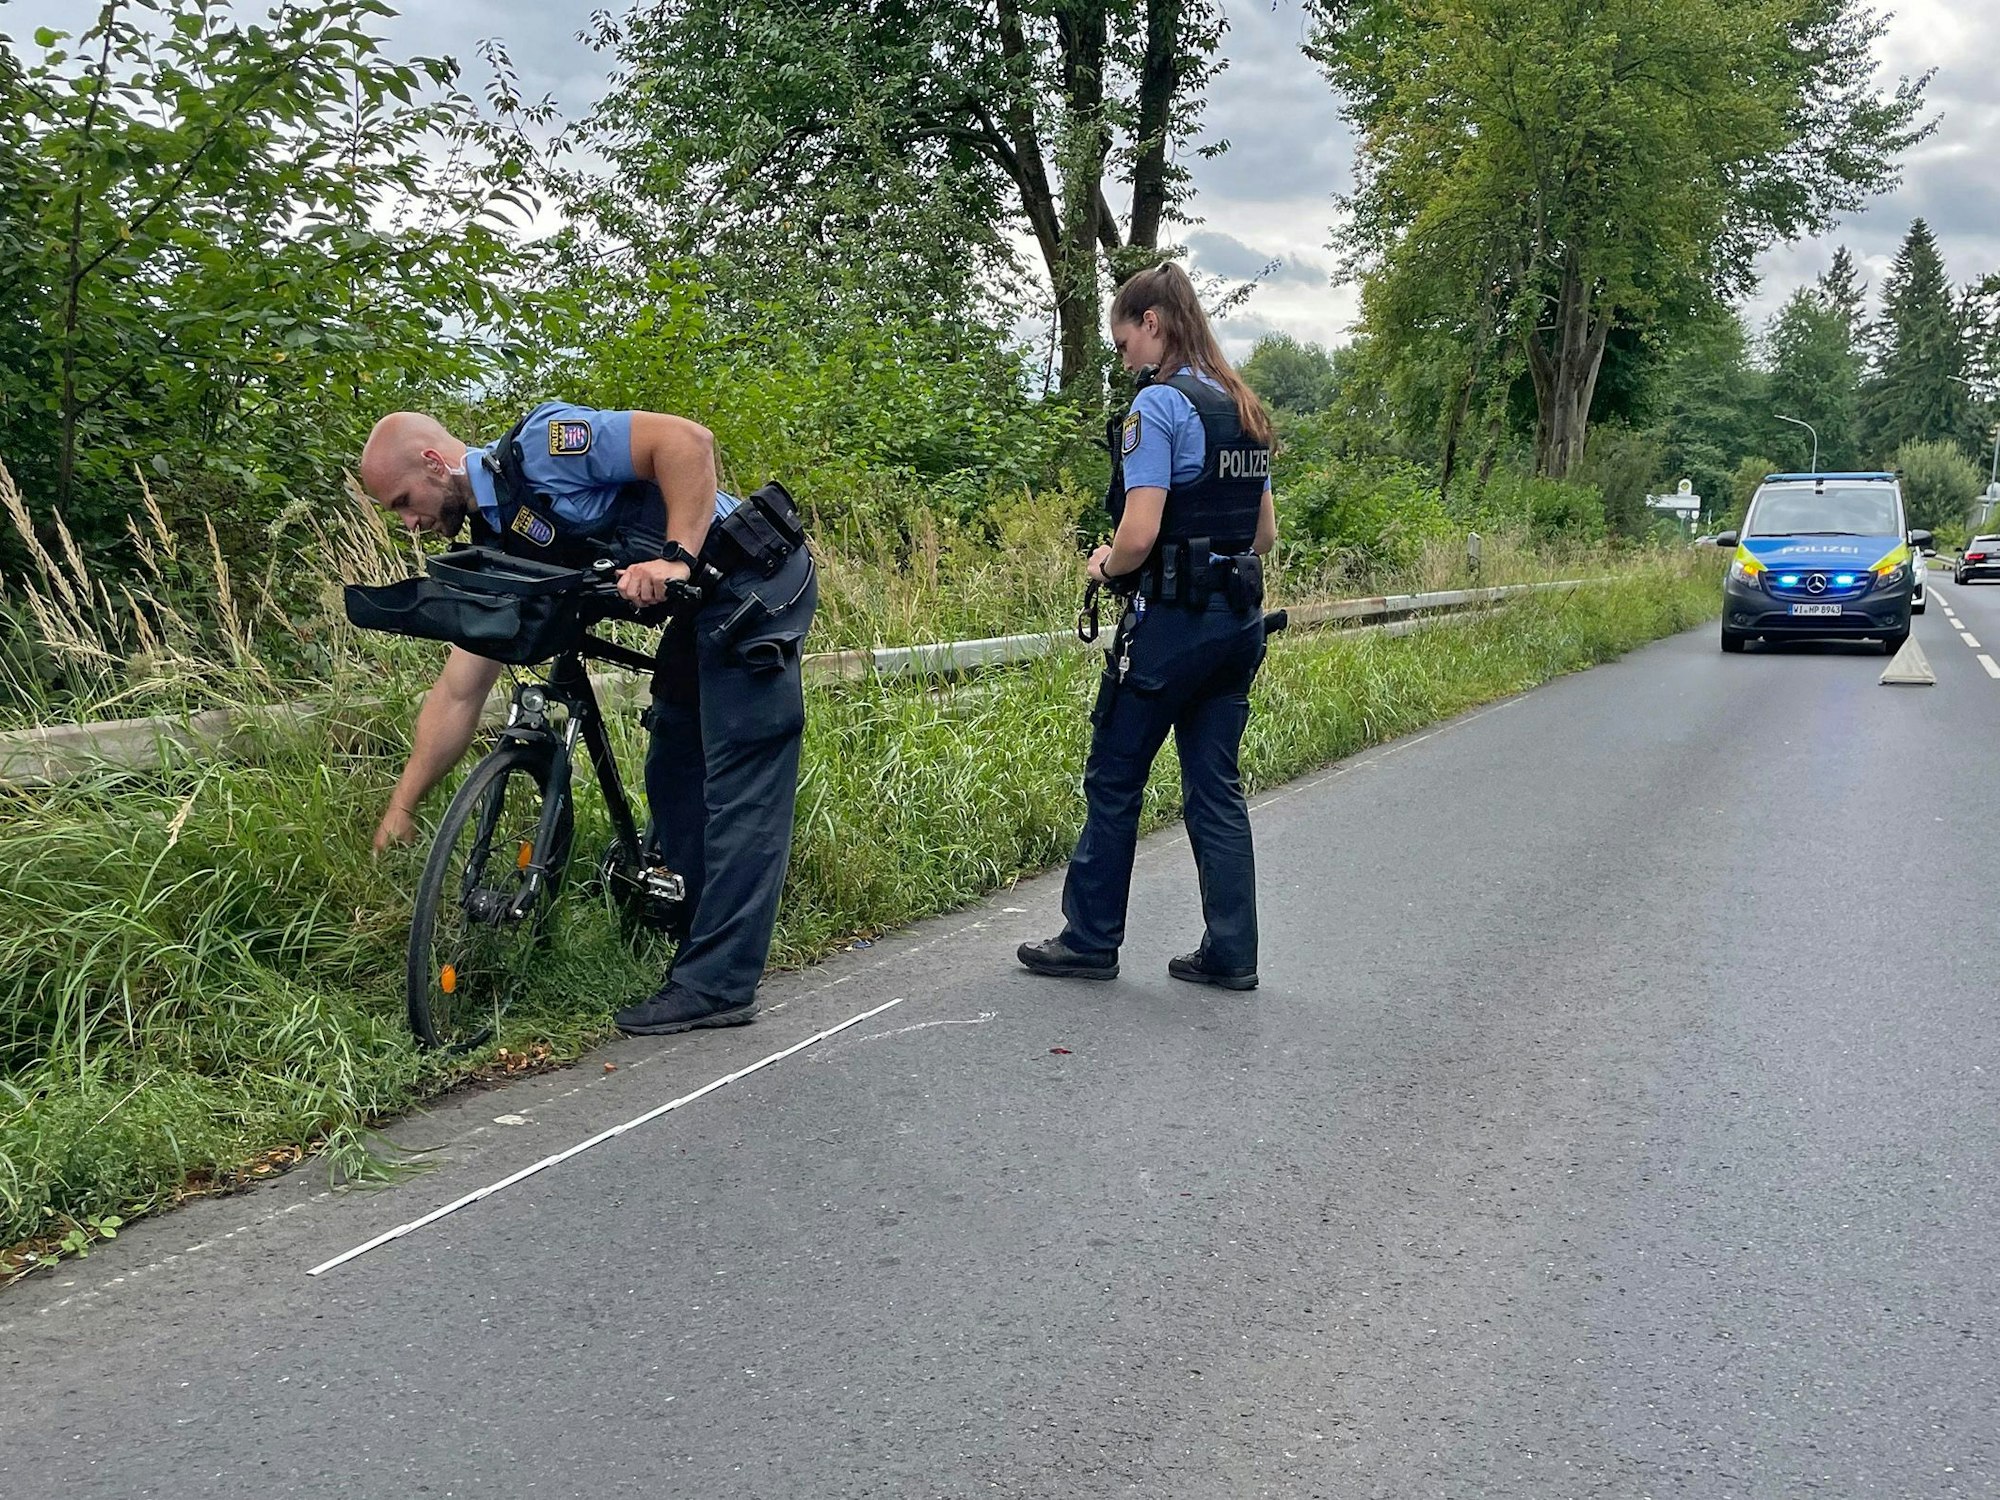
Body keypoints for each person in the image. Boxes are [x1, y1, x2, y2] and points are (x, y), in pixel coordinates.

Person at [357, 401, 818, 1035]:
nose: (409, 523)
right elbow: (459, 692)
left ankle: (718, 985)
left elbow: (686, 441)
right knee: (675, 764)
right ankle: (696, 926)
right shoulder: (497, 536)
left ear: (435, 465)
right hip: (700, 608)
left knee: (740, 782)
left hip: (752, 584)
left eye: (404, 501)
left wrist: (676, 558)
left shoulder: (546, 446)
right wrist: (403, 807)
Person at [1017, 263, 1278, 991]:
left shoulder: (1157, 408)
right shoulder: (1242, 404)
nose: (1122, 353)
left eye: (1123, 338)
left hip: (1170, 626)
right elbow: (1263, 535)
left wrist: (1103, 566)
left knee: (1116, 777)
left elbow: (1138, 534)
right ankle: (1231, 952)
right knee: (1214, 788)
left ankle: (1090, 939)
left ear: (1154, 324)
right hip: (1238, 626)